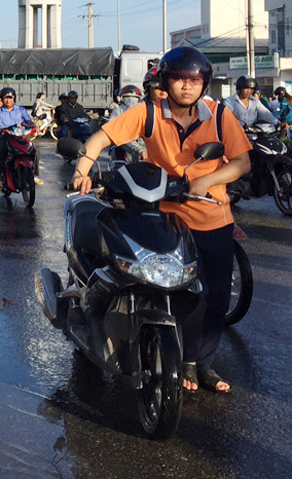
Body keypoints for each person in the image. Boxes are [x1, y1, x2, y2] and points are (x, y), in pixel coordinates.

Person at [72, 47, 251, 394]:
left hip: (213, 215)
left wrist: (206, 181)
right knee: (167, 288)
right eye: (179, 79)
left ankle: (205, 365)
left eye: (194, 79)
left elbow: (242, 162)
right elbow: (102, 137)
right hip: (165, 215)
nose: (186, 86)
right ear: (166, 81)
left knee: (214, 298)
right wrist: (83, 169)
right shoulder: (149, 113)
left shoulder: (218, 115)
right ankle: (175, 356)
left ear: (204, 83)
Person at [0, 87, 42, 186]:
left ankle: (33, 174)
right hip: (5, 137)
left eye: (10, 97)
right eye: (6, 98)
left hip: (20, 137)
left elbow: (29, 122)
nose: (8, 100)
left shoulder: (21, 110)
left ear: (14, 98)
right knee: (1, 151)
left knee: (34, 151)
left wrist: (35, 126)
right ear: (2, 99)